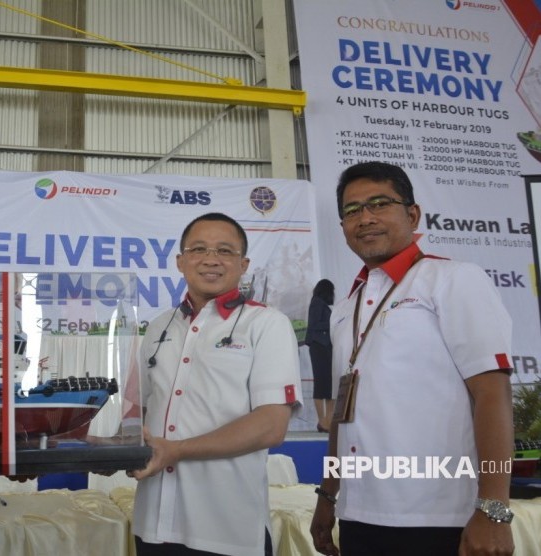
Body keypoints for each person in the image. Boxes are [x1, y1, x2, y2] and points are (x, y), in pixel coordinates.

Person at [310, 162, 514, 556]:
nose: (365, 218)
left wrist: (493, 509)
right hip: (359, 515)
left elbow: (493, 394)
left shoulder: (452, 280)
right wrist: (329, 494)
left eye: (379, 204)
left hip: (439, 518)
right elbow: (342, 416)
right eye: (352, 210)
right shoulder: (346, 306)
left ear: (413, 214)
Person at [130, 212, 302, 556]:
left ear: (243, 264)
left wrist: (176, 450)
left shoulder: (266, 324)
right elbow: (137, 414)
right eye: (198, 249)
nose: (211, 259)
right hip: (153, 524)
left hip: (227, 529)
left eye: (225, 251)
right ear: (181, 261)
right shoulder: (158, 327)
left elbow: (271, 426)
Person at [306, 279, 335, 433]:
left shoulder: (319, 303)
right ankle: (323, 421)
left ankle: (327, 421)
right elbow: (314, 325)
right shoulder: (317, 303)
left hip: (324, 347)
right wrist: (335, 322)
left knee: (329, 386)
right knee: (322, 385)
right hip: (320, 347)